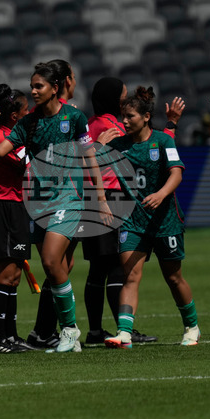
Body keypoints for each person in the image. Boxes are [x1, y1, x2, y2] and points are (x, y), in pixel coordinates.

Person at [0, 63, 112, 354]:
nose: (33, 91)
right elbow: (0, 151)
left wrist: (102, 199)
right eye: (32, 86)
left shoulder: (74, 117)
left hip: (69, 200)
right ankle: (57, 331)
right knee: (59, 267)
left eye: (38, 86)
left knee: (49, 260)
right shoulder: (28, 123)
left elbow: (89, 159)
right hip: (39, 205)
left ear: (55, 88)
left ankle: (69, 330)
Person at [99, 87, 199, 348]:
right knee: (130, 275)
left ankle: (192, 327)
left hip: (165, 221)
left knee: (173, 277)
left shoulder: (163, 141)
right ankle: (124, 333)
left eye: (130, 116)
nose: (124, 121)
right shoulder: (116, 144)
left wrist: (161, 194)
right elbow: (90, 166)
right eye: (123, 116)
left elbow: (177, 173)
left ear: (145, 117)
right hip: (132, 221)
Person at [0, 84, 34, 353]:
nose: (30, 113)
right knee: (4, 275)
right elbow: (28, 163)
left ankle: (11, 336)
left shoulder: (12, 134)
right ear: (15, 115)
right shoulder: (3, 136)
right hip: (5, 206)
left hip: (18, 206)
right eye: (26, 110)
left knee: (14, 276)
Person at [78, 78, 128, 345]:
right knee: (116, 265)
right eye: (123, 96)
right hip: (106, 198)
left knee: (99, 267)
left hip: (96, 199)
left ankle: (97, 331)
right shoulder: (106, 126)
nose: (125, 101)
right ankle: (123, 330)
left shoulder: (93, 123)